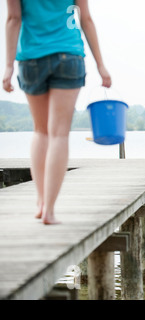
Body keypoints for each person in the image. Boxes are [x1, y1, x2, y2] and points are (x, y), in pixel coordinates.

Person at [2, 0, 111, 224]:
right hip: (68, 55)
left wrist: (9, 66)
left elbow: (14, 19)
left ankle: (41, 202)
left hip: (31, 58)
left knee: (41, 132)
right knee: (59, 134)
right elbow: (86, 19)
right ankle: (50, 210)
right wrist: (101, 65)